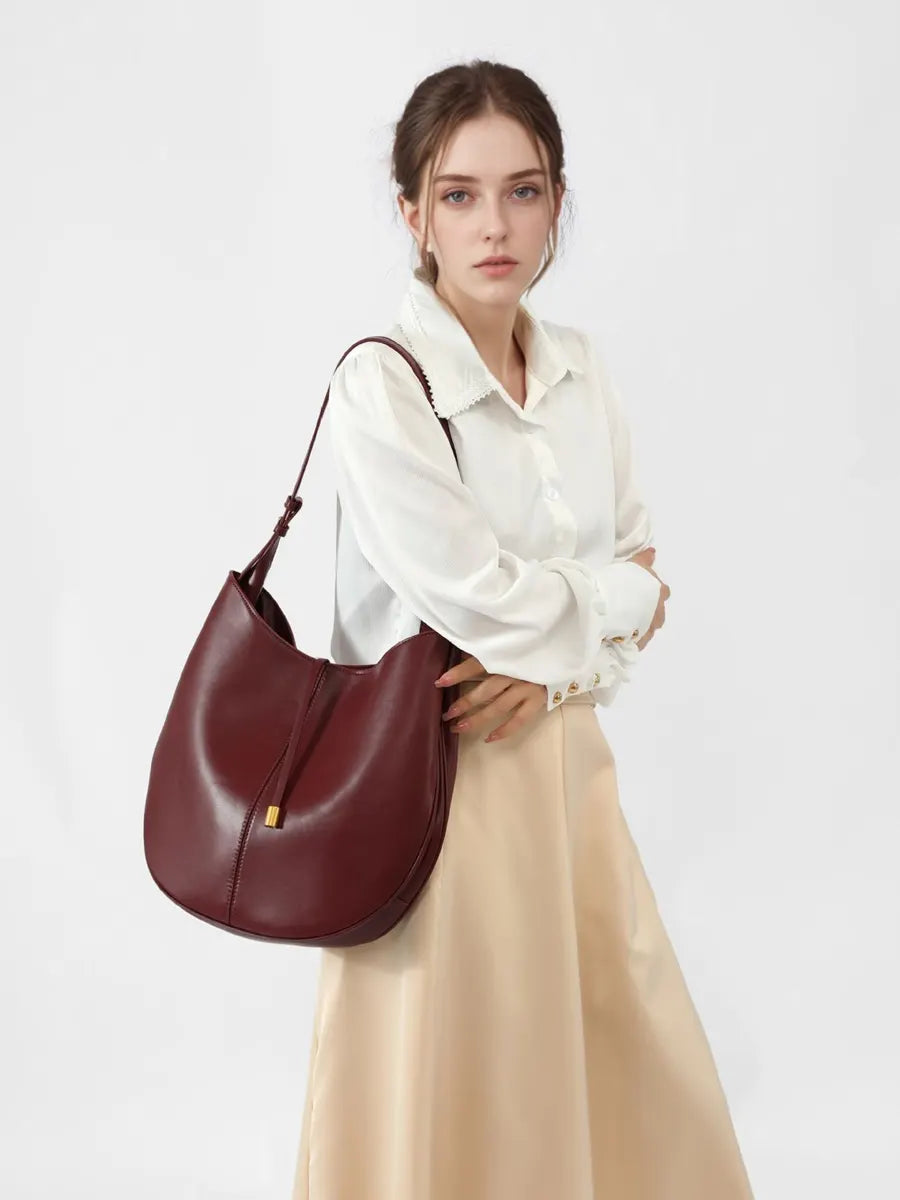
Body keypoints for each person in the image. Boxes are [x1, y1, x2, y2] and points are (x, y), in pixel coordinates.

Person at [291, 59, 755, 1200]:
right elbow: (479, 595)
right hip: (432, 797)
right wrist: (617, 601)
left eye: (524, 190)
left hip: (567, 779)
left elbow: (633, 565)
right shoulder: (381, 385)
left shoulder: (582, 372)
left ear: (556, 202)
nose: (494, 224)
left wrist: (560, 668)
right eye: (458, 194)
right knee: (450, 1092)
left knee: (631, 1068)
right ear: (412, 214)